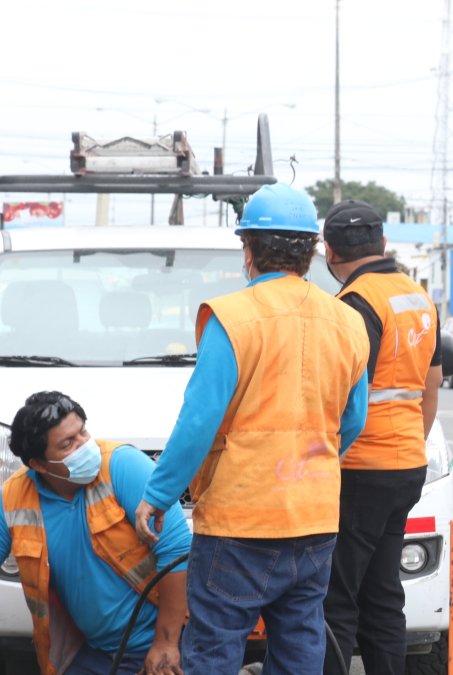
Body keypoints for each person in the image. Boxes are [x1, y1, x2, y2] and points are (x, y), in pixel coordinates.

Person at [133, 183, 371, 675]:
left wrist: (158, 495)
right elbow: (353, 421)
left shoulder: (232, 317)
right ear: (310, 251)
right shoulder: (347, 321)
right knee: (301, 642)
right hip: (314, 516)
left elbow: (198, 423)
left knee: (217, 645)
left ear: (249, 249)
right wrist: (312, 463)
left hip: (240, 520)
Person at [320, 200, 442, 675]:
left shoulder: (354, 304)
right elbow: (431, 388)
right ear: (383, 243)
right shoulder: (418, 296)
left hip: (360, 468)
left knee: (338, 596)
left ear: (329, 252)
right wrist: (409, 441)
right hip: (406, 463)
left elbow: (341, 398)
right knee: (384, 592)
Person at [1, 391, 190, 675]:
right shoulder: (13, 497)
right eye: (67, 444)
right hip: (96, 650)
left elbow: (177, 551)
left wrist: (165, 644)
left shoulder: (122, 465)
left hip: (169, 638)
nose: (84, 446)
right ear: (39, 465)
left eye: (82, 432)